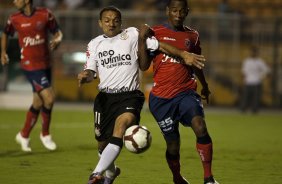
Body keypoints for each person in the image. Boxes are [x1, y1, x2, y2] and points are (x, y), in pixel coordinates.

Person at [77, 6, 206, 184]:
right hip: (105, 99)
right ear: (100, 23)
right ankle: (110, 173)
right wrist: (86, 76)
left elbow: (160, 45)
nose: (111, 23)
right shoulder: (94, 44)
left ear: (121, 21)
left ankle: (96, 174)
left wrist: (183, 54)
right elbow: (91, 71)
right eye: (106, 20)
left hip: (130, 96)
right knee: (102, 145)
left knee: (120, 128)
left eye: (115, 19)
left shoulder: (132, 34)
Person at [138, 0, 218, 183]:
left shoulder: (193, 36)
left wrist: (204, 86)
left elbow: (196, 64)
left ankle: (209, 178)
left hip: (186, 93)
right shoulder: (155, 33)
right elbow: (143, 66)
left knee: (200, 126)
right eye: (174, 10)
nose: (178, 14)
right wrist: (142, 40)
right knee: (173, 145)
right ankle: (177, 177)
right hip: (161, 100)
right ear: (168, 11)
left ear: (187, 12)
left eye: (182, 11)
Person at [1, 0, 63, 152]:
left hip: (45, 64)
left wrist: (57, 40)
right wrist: (3, 52)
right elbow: (5, 33)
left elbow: (58, 32)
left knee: (38, 101)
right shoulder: (14, 18)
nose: (14, 2)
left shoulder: (45, 15)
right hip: (30, 65)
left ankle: (24, 134)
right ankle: (45, 134)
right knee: (49, 98)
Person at [240, 46, 270, 113]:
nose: (253, 53)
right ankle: (243, 109)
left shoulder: (260, 62)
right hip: (248, 82)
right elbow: (244, 72)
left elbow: (267, 71)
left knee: (256, 98)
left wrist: (261, 76)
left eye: (255, 51)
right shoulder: (247, 61)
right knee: (245, 97)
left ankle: (254, 110)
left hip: (257, 82)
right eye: (252, 51)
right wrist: (243, 80)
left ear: (257, 53)